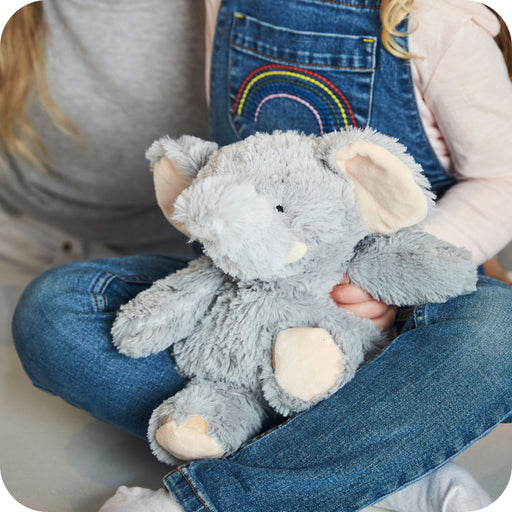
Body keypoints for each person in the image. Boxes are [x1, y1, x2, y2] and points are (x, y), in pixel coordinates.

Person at [2, 0, 511, 511]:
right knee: (56, 309)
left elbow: (500, 179)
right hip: (250, 299)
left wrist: (384, 280)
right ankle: (373, 469)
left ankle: (222, 497)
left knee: (498, 332)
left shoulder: (440, 22)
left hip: (403, 300)